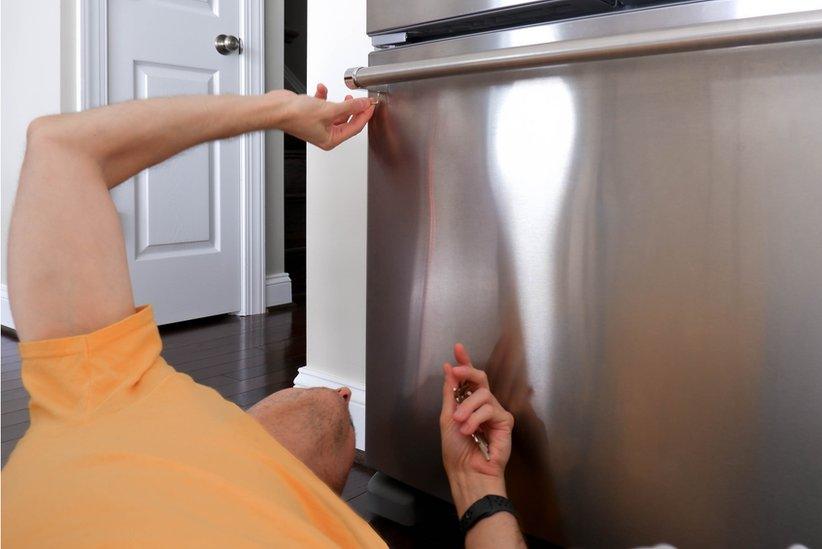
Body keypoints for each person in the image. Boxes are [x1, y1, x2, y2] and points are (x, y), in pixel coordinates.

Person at [1, 85, 524, 548]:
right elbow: (60, 146)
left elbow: (60, 147)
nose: (344, 394)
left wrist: (277, 114)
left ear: (242, 413)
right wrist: (480, 491)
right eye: (347, 400)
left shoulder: (100, 397)